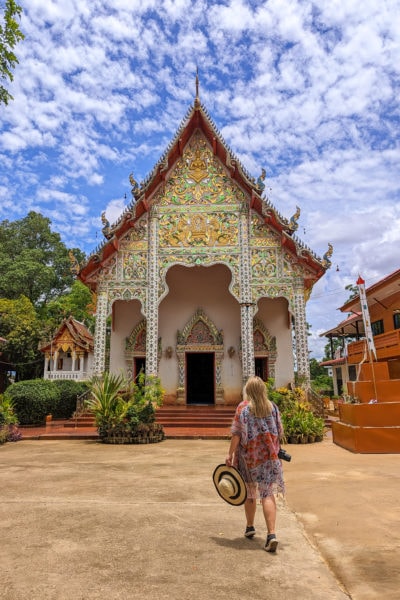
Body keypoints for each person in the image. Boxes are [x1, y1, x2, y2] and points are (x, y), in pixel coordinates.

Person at [225, 375, 285, 552]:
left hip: (248, 458)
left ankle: (250, 526)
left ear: (248, 391)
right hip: (268, 458)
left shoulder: (243, 408)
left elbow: (236, 434)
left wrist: (230, 455)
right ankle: (271, 534)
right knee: (267, 493)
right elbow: (279, 431)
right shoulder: (272, 407)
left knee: (250, 492)